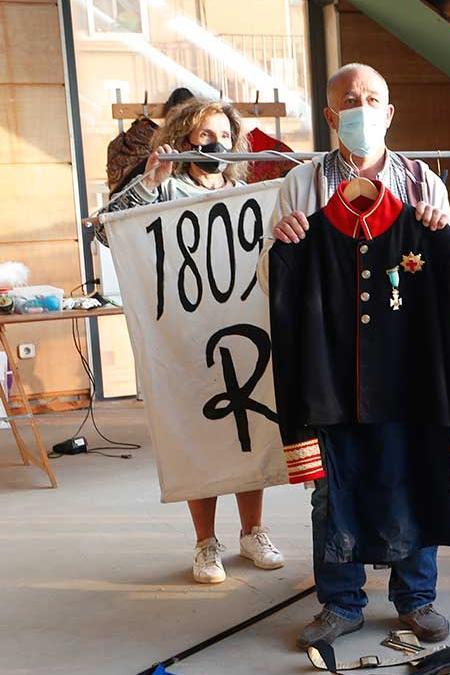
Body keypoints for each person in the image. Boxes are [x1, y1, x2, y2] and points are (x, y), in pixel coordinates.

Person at [262, 63, 450, 650]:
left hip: (407, 365)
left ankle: (415, 597)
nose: (363, 108)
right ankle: (341, 601)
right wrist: (284, 242)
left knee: (415, 471)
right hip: (329, 364)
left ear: (391, 112)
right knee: (333, 484)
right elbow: (271, 278)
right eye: (351, 100)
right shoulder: (300, 185)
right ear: (330, 115)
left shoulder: (424, 183)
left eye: (374, 98)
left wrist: (440, 229)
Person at [99, 99, 285, 584]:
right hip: (186, 336)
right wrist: (150, 183)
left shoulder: (248, 193)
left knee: (250, 428)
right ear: (184, 139)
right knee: (198, 435)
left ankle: (253, 531)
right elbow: (107, 229)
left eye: (223, 135)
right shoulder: (163, 191)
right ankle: (206, 543)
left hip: (244, 328)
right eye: (204, 136)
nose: (215, 145)